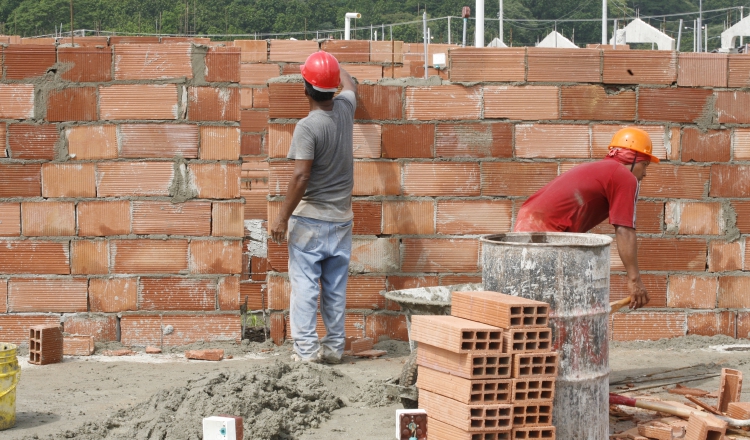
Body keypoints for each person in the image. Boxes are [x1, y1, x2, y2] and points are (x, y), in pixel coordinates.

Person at [270, 51, 357, 364]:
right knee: (334, 290)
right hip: (342, 221)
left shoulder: (308, 126)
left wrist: (281, 218)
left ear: (305, 87)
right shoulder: (346, 108)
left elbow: (300, 175)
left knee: (305, 289)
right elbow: (350, 85)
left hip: (310, 223)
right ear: (332, 86)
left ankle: (307, 353)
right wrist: (333, 63)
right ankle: (334, 350)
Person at [513, 127, 658, 310]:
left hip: (529, 222)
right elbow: (624, 230)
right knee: (560, 303)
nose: (644, 174)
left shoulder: (602, 169)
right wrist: (634, 280)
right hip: (547, 231)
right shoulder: (625, 177)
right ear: (632, 158)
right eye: (644, 165)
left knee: (539, 300)